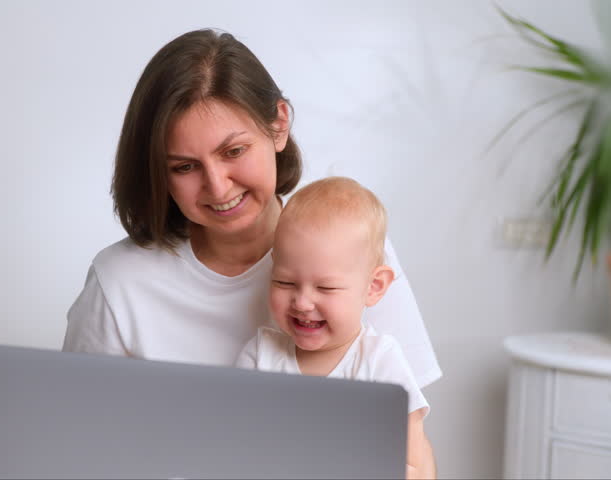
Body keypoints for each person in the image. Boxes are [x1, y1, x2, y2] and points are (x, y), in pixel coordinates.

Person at [62, 29, 441, 388]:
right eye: (184, 166)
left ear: (278, 125)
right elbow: (80, 432)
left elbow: (408, 438)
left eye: (234, 151)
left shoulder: (351, 244)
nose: (218, 185)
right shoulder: (119, 282)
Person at [234, 176, 435, 479]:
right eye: (284, 282)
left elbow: (414, 467)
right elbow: (233, 445)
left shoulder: (380, 362)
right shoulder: (260, 355)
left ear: (374, 287)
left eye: (325, 288)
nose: (302, 302)